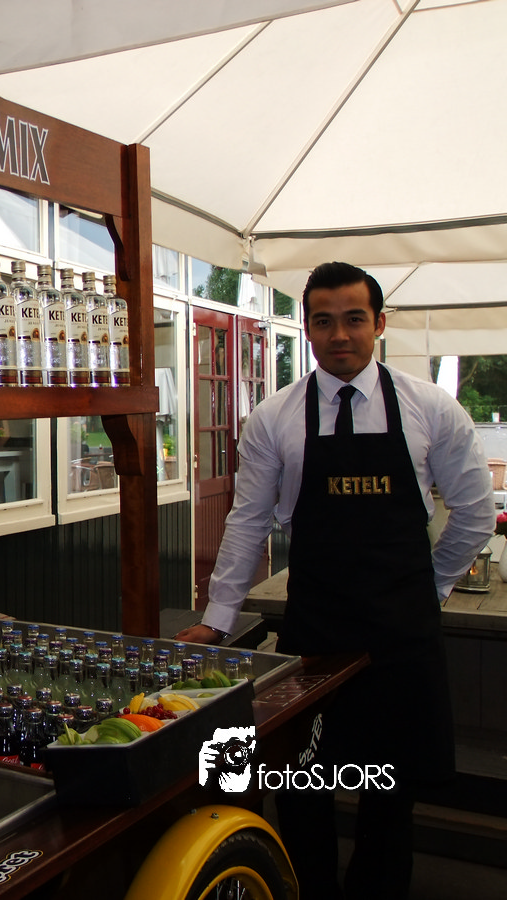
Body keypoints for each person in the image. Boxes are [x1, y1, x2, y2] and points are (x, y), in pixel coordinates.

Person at [175, 261, 494, 899]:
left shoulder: (432, 408)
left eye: (354, 319)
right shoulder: (275, 417)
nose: (339, 334)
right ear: (308, 329)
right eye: (324, 321)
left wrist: (429, 588)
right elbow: (248, 520)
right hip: (315, 632)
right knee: (302, 784)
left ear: (379, 323)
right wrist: (217, 618)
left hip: (400, 640)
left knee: (389, 796)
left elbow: (475, 512)